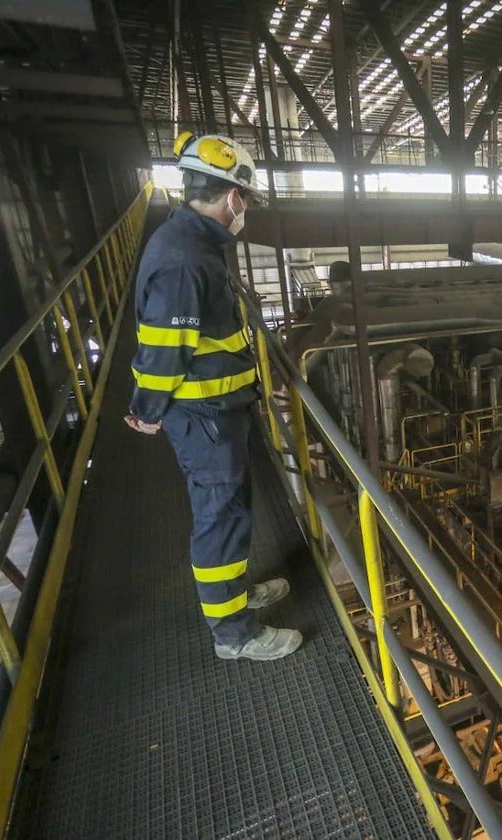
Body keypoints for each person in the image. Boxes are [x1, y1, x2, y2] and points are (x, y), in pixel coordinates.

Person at [124, 131, 302, 661]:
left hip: (219, 414)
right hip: (202, 418)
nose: (244, 209)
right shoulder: (184, 260)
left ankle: (236, 596)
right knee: (219, 519)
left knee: (232, 510)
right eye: (245, 199)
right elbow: (162, 351)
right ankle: (234, 634)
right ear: (232, 197)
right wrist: (146, 411)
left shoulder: (193, 244)